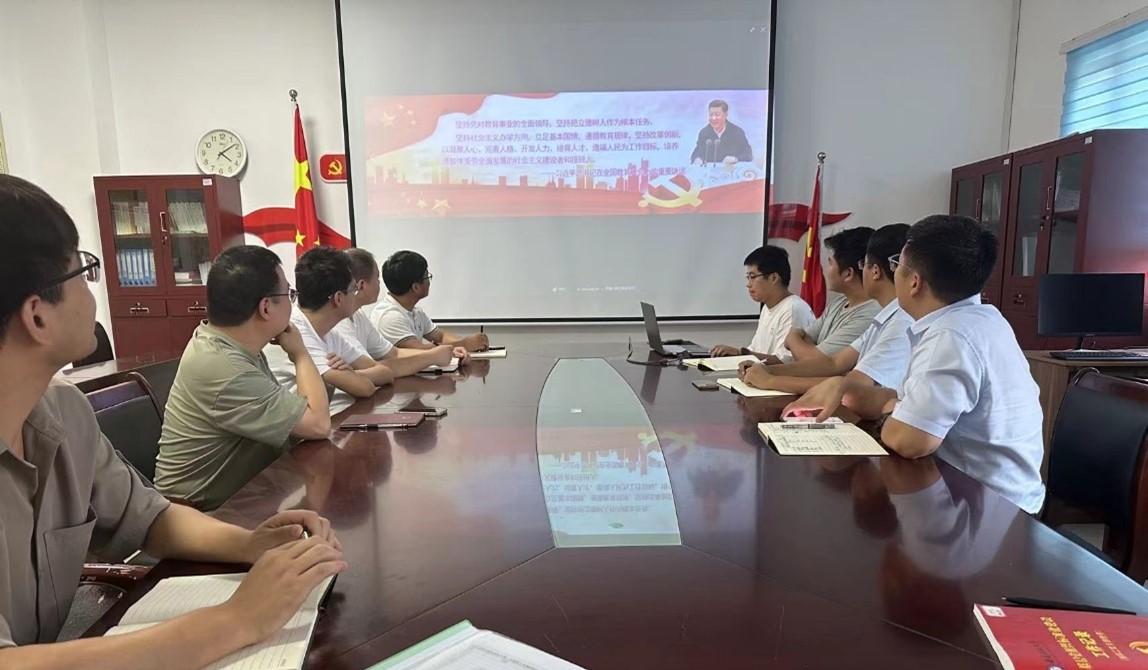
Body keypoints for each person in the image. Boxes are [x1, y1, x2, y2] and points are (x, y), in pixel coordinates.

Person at [0, 175, 345, 664]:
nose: (93, 292)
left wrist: (251, 545)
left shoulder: (63, 413)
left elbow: (150, 518)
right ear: (38, 317)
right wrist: (237, 619)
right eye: (84, 270)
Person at [782, 214, 1045, 514]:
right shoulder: (983, 320)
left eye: (897, 266)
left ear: (915, 282)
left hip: (991, 510)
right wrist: (853, 390)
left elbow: (908, 440)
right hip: (993, 497)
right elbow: (903, 402)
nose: (894, 274)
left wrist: (890, 412)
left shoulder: (950, 337)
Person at [156, 245, 334, 510]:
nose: (292, 302)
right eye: (289, 294)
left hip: (243, 496)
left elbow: (297, 424)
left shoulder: (233, 345)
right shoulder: (226, 367)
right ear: (266, 307)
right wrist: (300, 354)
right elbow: (318, 425)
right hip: (200, 514)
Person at [741, 224, 913, 394]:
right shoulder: (883, 318)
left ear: (875, 271)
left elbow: (850, 383)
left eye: (864, 265)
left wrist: (769, 380)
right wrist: (767, 370)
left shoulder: (897, 322)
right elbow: (833, 363)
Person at [265, 246, 398, 414]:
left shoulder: (327, 332)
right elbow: (365, 388)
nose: (356, 294)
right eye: (354, 289)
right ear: (338, 298)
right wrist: (354, 377)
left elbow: (385, 373)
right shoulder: (295, 331)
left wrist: (351, 373)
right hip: (300, 427)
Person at [335, 248, 463, 375]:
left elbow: (394, 353)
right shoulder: (339, 324)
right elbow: (371, 369)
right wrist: (432, 357)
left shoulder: (358, 315)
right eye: (377, 278)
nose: (380, 283)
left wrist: (443, 353)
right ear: (361, 286)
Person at [781, 226, 880, 362]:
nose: (826, 270)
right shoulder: (839, 302)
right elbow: (805, 344)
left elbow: (813, 362)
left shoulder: (869, 315)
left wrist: (793, 336)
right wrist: (806, 348)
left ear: (848, 274)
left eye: (831, 264)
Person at [709, 245, 814, 360]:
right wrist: (737, 354)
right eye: (748, 277)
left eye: (752, 277)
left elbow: (786, 362)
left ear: (773, 278)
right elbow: (755, 350)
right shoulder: (767, 307)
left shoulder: (793, 309)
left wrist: (741, 352)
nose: (748, 284)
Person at [371, 250, 488, 352]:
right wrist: (464, 345)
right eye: (427, 276)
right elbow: (419, 351)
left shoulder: (416, 312)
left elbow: (441, 336)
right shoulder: (389, 317)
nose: (429, 281)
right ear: (416, 287)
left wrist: (469, 344)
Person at [690, 99, 753, 166]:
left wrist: (735, 158)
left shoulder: (737, 132)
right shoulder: (704, 133)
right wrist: (697, 159)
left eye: (717, 115)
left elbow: (748, 154)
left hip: (730, 170)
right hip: (710, 171)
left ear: (726, 115)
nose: (713, 118)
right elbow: (697, 153)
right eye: (711, 115)